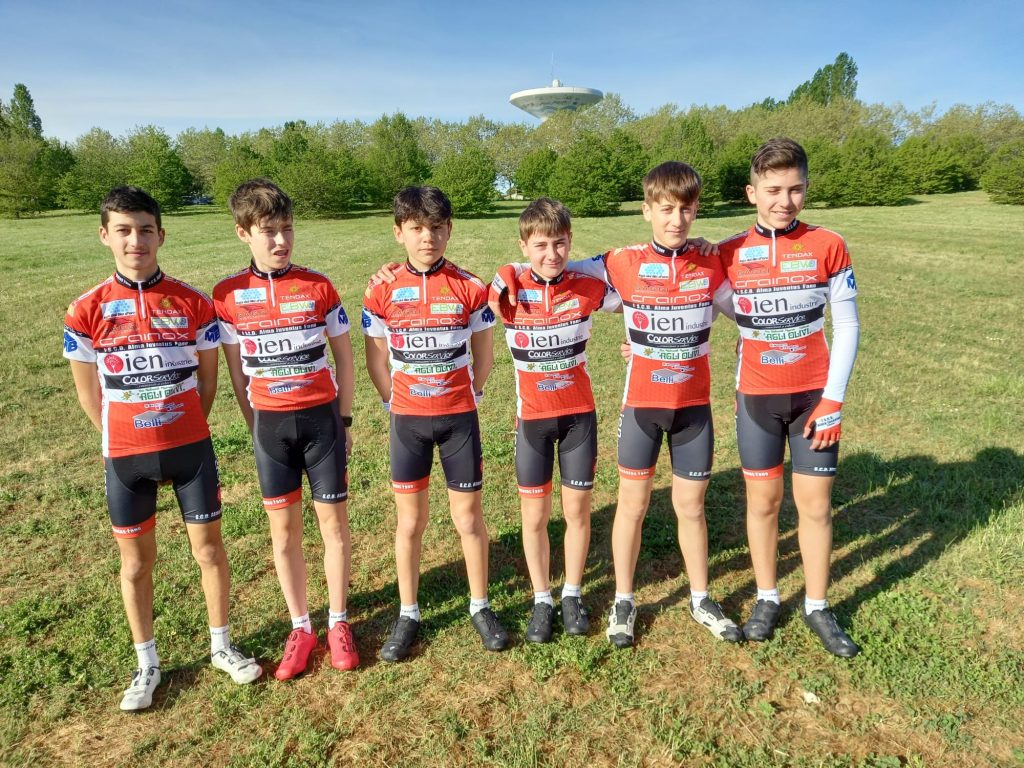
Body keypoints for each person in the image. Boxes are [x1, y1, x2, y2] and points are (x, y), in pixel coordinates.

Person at [495, 163, 741, 648]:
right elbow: (548, 267)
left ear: (696, 211)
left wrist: (713, 250)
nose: (676, 219)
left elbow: (749, 312)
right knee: (631, 507)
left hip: (694, 409)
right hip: (640, 409)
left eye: (686, 210)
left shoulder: (711, 263)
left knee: (691, 508)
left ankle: (700, 597)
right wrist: (508, 272)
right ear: (646, 210)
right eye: (665, 209)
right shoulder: (619, 262)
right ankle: (622, 600)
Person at [63, 186, 262, 711]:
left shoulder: (194, 303)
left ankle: (221, 646)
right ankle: (146, 662)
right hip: (126, 457)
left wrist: (181, 424)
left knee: (209, 551)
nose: (136, 241)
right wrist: (124, 435)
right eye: (124, 231)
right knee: (136, 564)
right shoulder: (85, 309)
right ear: (105, 236)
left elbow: (208, 383)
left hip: (189, 448)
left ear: (161, 235)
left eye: (146, 230)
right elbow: (90, 396)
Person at [718, 138, 861, 657]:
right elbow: (694, 304)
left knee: (815, 507)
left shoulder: (828, 244)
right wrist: (637, 343)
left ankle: (817, 606)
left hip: (813, 401)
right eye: (773, 190)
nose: (785, 200)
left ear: (806, 188)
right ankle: (767, 596)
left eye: (795, 189)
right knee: (763, 503)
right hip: (756, 399)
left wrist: (833, 401)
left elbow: (847, 326)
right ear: (751, 192)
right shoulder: (728, 252)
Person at [213, 179, 358, 678]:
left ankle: (338, 621)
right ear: (243, 233)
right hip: (270, 429)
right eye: (269, 231)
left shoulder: (319, 286)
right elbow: (237, 373)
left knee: (333, 527)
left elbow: (344, 357)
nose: (281, 241)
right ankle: (301, 626)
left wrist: (344, 419)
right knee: (283, 533)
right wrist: (254, 425)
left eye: (288, 229)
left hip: (322, 423)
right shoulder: (227, 295)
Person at [362, 186, 509, 661]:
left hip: (458, 419)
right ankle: (408, 612)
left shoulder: (470, 286)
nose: (428, 237)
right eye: (417, 228)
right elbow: (376, 359)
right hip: (407, 422)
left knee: (468, 518)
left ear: (450, 230)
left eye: (437, 228)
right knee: (410, 522)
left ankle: (480, 605)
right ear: (399, 232)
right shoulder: (380, 288)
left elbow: (484, 356)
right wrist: (394, 402)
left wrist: (471, 395)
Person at [488, 198, 621, 642]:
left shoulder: (587, 288)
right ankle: (542, 598)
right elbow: (474, 290)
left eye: (560, 243)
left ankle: (572, 593)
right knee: (535, 516)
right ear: (523, 246)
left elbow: (644, 301)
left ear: (570, 242)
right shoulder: (506, 291)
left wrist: (640, 345)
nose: (552, 254)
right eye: (540, 245)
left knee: (577, 511)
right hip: (533, 423)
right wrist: (507, 271)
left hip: (579, 418)